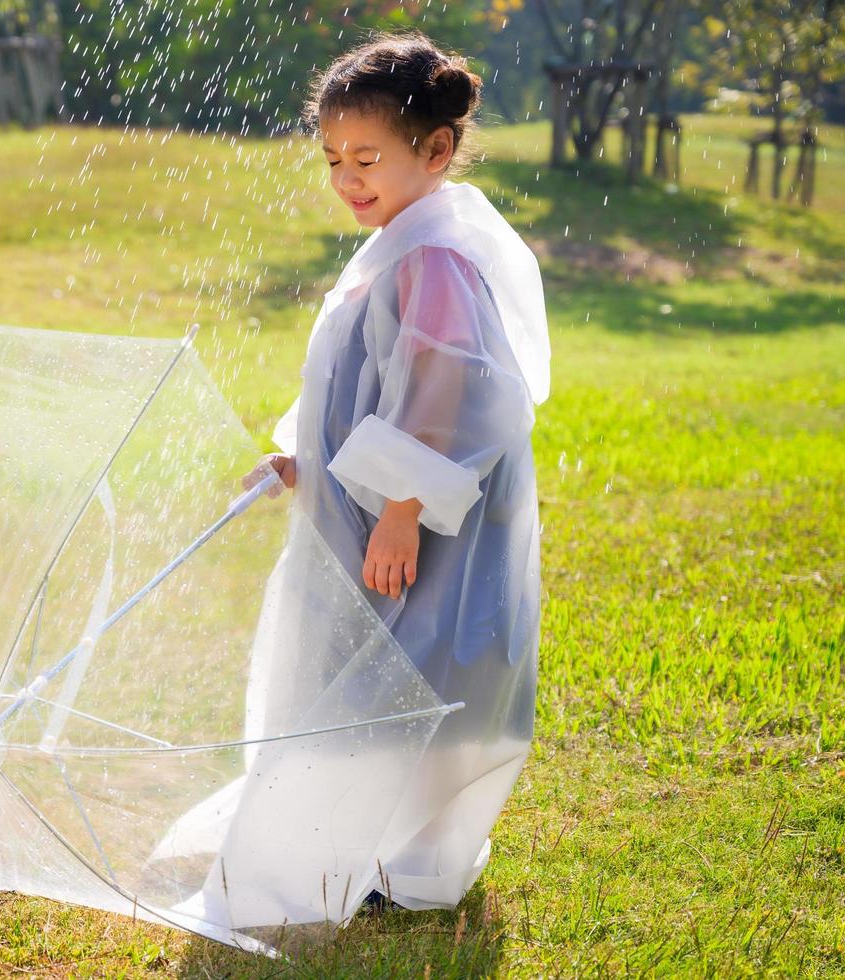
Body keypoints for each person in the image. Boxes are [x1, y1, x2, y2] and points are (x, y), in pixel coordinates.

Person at [240, 29, 551, 913]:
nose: (347, 178)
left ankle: (402, 858)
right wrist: (306, 454)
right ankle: (358, 839)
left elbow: (449, 386)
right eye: (333, 158)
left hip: (421, 518)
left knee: (422, 669)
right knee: (365, 659)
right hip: (379, 507)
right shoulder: (398, 242)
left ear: (436, 151)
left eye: (367, 158)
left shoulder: (435, 255)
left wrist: (404, 507)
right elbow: (369, 375)